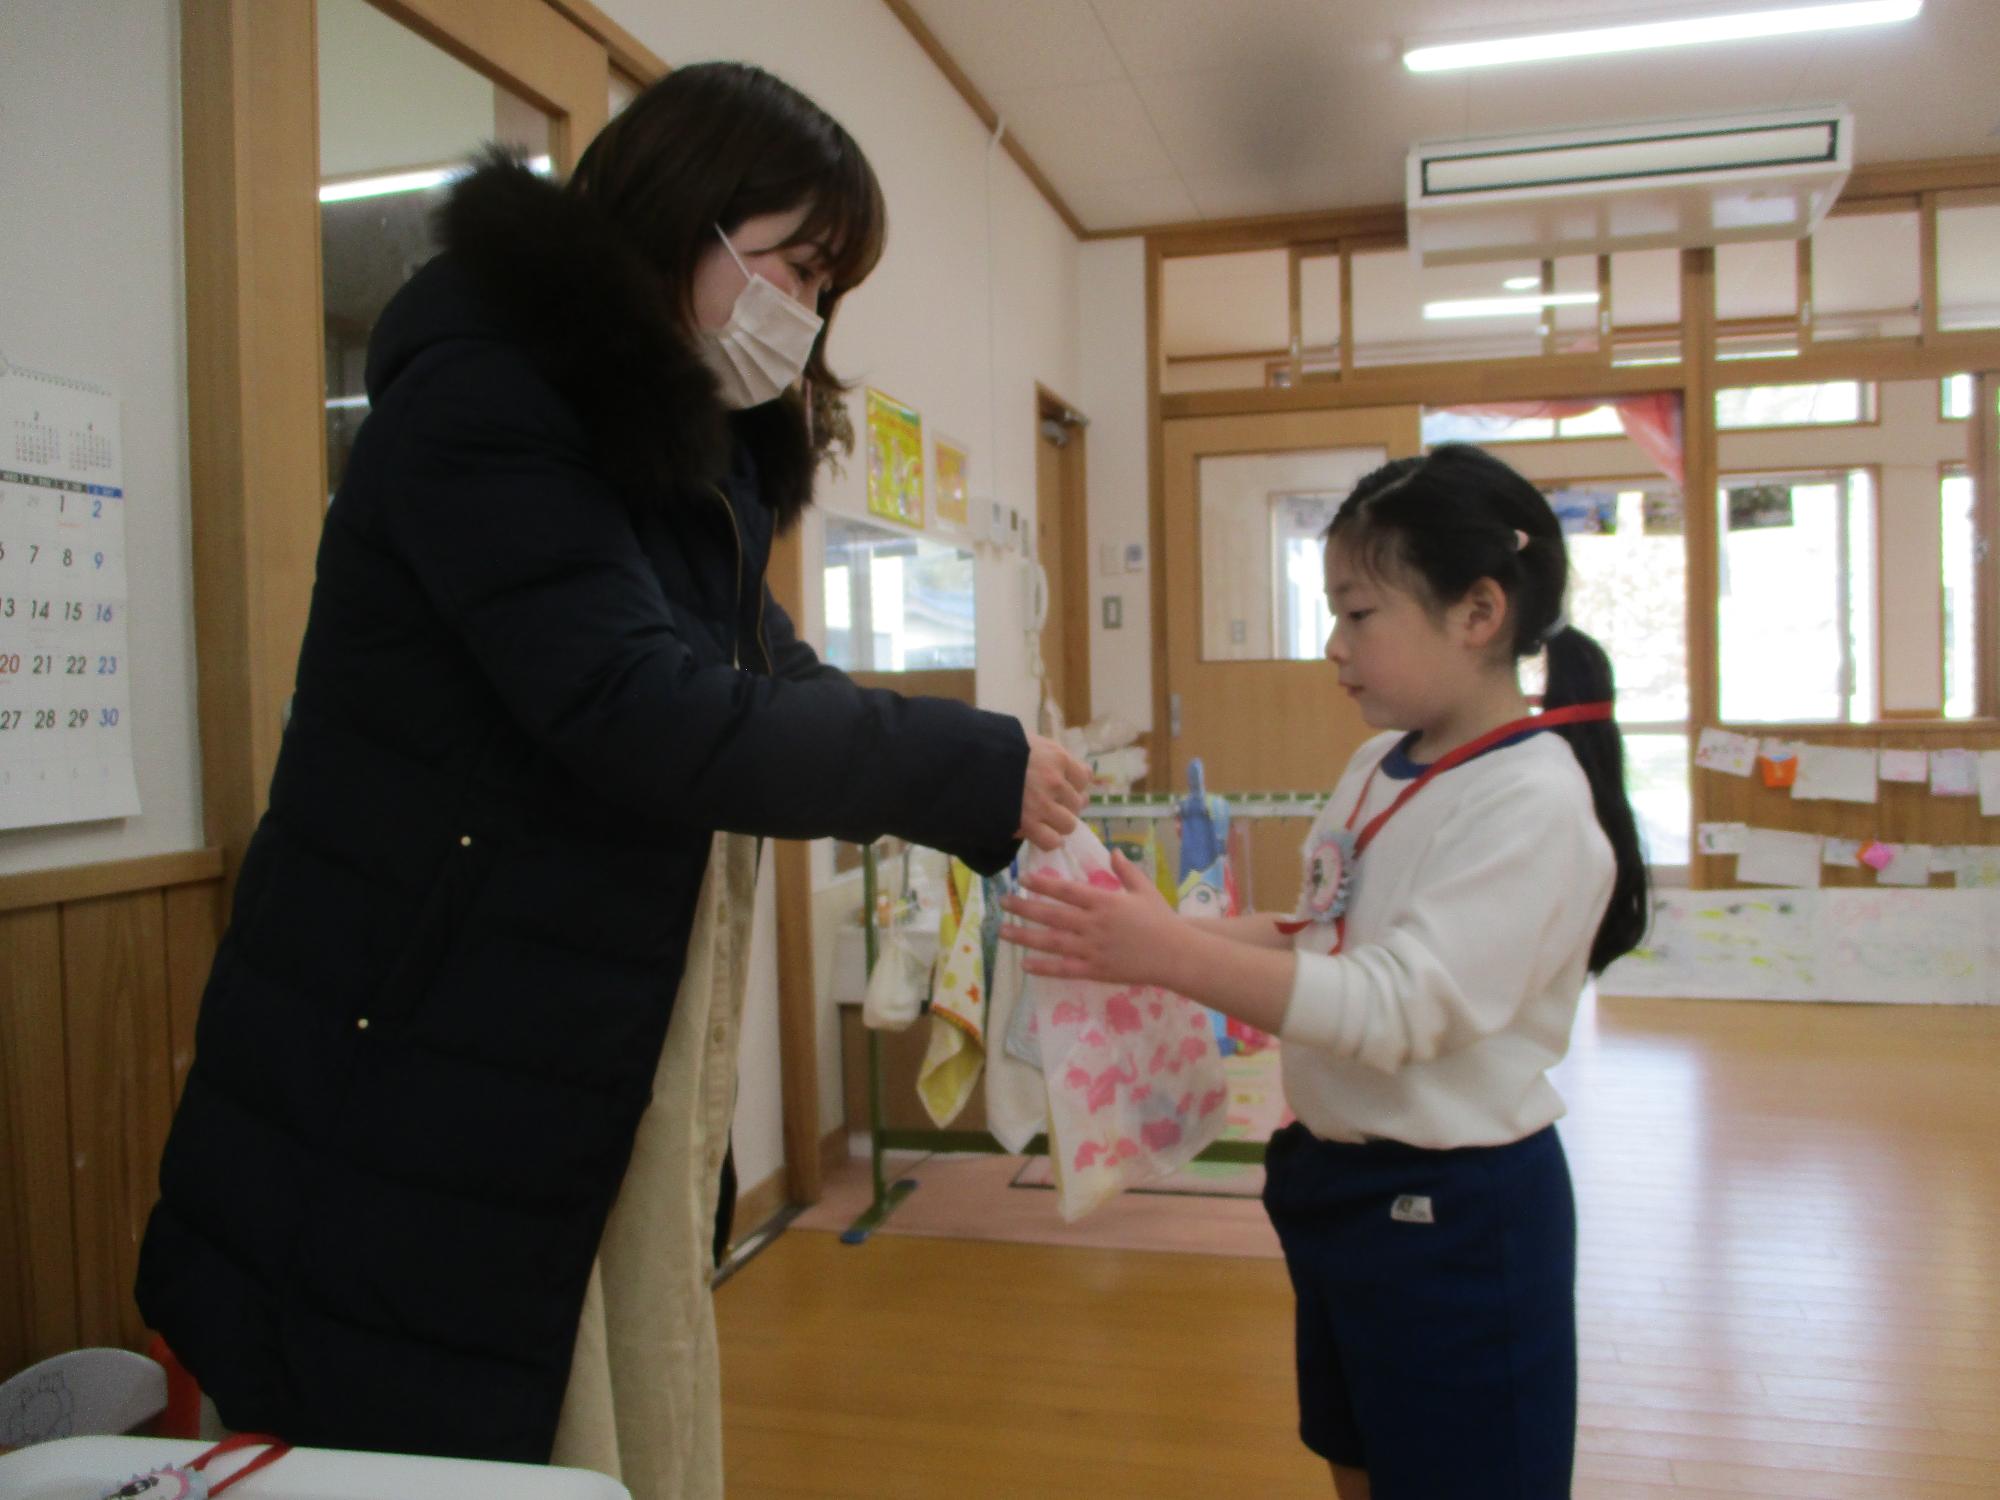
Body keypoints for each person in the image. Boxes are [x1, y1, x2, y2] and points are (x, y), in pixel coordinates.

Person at [136, 60, 1090, 1487]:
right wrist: (965, 767)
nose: (806, 316)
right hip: (405, 1051)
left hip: (531, 1050)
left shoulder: (674, 456)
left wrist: (979, 773)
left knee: (540, 1425)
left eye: (829, 286)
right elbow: (637, 707)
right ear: (681, 223)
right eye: (792, 267)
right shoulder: (490, 403)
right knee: (406, 1435)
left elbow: (761, 667)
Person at [1001, 443, 1649, 1500]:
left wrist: (1167, 956)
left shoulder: (1527, 803)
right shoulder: (1376, 764)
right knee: (1355, 1460)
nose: (1331, 645)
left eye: (1357, 613)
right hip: (1338, 1190)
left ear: (1477, 613)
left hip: (1456, 1213)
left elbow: (1395, 1007)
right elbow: (1319, 933)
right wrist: (1164, 933)